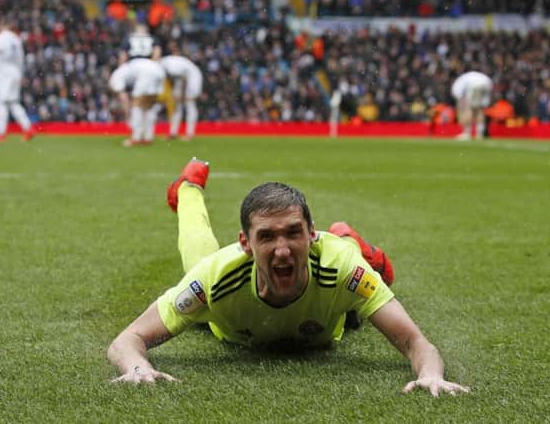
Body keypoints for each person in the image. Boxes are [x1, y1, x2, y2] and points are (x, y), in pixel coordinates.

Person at [107, 158, 471, 397]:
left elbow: (415, 343)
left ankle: (347, 239)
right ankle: (187, 188)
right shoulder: (216, 278)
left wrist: (431, 375)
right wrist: (138, 368)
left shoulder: (343, 269)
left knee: (347, 260)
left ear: (311, 234)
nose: (282, 249)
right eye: (266, 236)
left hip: (339, 297)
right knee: (197, 255)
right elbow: (128, 340)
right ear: (245, 244)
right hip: (222, 320)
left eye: (293, 233)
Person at [0, 19, 35, 144]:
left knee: (0, 102)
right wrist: (20, 74)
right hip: (15, 72)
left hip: (4, 73)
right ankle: (28, 129)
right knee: (13, 103)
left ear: (1, 26)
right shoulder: (16, 39)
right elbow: (21, 59)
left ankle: (0, 134)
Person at [109, 58, 166, 147]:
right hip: (159, 71)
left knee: (137, 106)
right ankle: (148, 137)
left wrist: (127, 116)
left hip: (147, 73)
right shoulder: (125, 68)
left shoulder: (115, 78)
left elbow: (124, 99)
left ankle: (136, 138)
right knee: (148, 107)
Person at [159, 55, 203, 141]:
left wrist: (182, 94)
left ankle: (190, 133)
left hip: (192, 77)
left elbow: (184, 78)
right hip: (181, 80)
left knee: (190, 103)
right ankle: (173, 133)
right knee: (177, 104)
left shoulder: (170, 66)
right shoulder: (163, 64)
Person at [451, 71, 493, 141]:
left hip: (476, 85)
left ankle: (467, 133)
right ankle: (480, 134)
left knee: (469, 109)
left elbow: (460, 99)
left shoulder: (456, 88)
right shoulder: (463, 80)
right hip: (488, 83)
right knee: (479, 110)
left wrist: (463, 107)